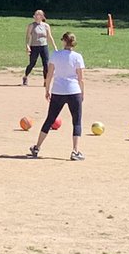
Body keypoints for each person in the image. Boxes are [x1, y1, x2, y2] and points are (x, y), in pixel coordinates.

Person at [29, 31, 86, 161]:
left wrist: (47, 90)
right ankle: (75, 151)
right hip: (74, 91)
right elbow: (81, 78)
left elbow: (49, 74)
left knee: (49, 120)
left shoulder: (55, 55)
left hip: (58, 91)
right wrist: (82, 92)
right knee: (76, 122)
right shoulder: (77, 57)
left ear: (64, 42)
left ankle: (37, 147)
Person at [22, 10, 56, 86]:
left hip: (44, 46)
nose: (37, 16)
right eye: (36, 14)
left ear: (42, 16)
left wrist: (55, 47)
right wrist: (27, 45)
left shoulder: (46, 26)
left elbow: (49, 37)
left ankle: (45, 80)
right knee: (32, 63)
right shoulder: (31, 25)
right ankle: (25, 77)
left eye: (39, 14)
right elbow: (27, 36)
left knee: (46, 64)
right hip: (34, 46)